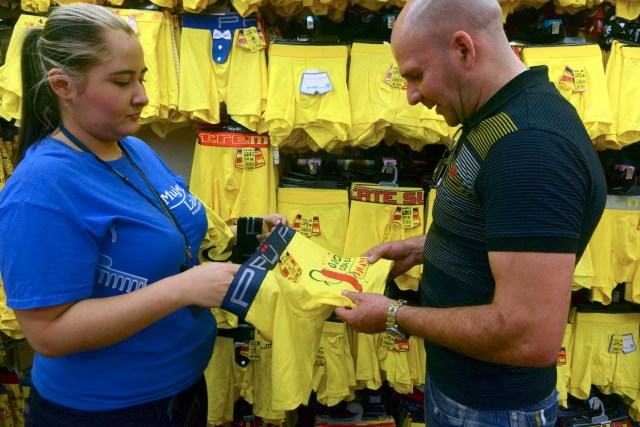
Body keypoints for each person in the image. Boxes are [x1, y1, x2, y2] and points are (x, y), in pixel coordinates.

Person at [0, 4, 285, 426]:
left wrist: (244, 231)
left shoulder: (133, 148)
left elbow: (165, 231)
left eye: (142, 77)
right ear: (63, 86)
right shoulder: (40, 191)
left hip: (181, 388)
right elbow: (48, 333)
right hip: (106, 410)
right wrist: (182, 289)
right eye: (122, 81)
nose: (143, 96)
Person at [335, 0, 607, 425]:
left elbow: (529, 334)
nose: (410, 96)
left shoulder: (530, 148)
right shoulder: (499, 115)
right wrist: (428, 247)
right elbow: (502, 229)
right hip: (468, 393)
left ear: (464, 49)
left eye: (416, 75)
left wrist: (393, 315)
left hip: (493, 409)